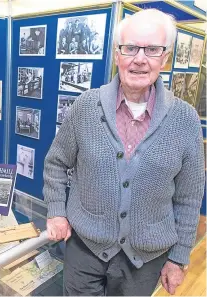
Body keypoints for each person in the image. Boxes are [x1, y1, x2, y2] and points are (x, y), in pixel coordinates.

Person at [43, 9, 205, 296]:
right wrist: (56, 212)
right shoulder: (85, 107)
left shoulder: (186, 119)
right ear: (117, 54)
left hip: (145, 261)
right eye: (130, 48)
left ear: (165, 58)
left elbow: (189, 198)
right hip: (84, 249)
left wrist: (178, 258)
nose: (139, 59)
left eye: (152, 49)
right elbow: (56, 163)